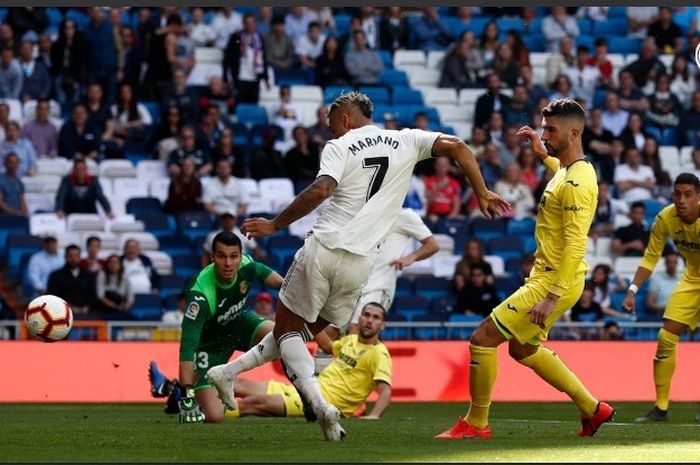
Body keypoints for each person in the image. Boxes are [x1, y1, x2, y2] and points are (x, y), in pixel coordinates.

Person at [205, 91, 508, 441]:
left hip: (324, 248)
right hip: (361, 265)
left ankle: (318, 403)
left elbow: (320, 190)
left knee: (288, 330)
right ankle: (227, 373)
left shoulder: (341, 146)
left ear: (345, 118)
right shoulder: (406, 139)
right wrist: (482, 192)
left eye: (331, 123)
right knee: (303, 331)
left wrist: (275, 225)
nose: (329, 130)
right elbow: (457, 146)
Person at [436, 99, 613, 440]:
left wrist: (551, 296)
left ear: (574, 132)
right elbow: (561, 179)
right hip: (551, 276)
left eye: (551, 130)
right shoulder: (570, 170)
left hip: (553, 280)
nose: (544, 134)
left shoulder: (578, 182)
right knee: (522, 349)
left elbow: (577, 244)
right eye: (544, 127)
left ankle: (475, 424)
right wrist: (543, 153)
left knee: (482, 339)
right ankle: (593, 409)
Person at [153, 231, 283, 424]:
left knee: (282, 336)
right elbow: (188, 346)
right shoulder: (200, 294)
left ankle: (307, 395)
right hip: (209, 348)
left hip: (239, 325)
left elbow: (279, 282)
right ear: (212, 258)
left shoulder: (247, 265)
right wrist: (188, 395)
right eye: (222, 256)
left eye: (233, 256)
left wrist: (298, 293)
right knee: (214, 416)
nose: (229, 263)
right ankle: (177, 391)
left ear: (241, 256)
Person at [219, 302, 391, 419]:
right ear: (359, 319)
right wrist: (308, 318)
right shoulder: (350, 341)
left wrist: (373, 416)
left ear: (383, 325)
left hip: (323, 403)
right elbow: (327, 345)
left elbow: (385, 391)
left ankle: (207, 414)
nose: (369, 320)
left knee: (253, 403)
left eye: (376, 318)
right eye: (366, 315)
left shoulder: (379, 353)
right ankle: (198, 399)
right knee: (238, 383)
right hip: (308, 388)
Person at [621, 173, 700, 423]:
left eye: (688, 194)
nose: (681, 200)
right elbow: (651, 257)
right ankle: (661, 408)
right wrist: (632, 290)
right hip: (693, 279)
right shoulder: (665, 217)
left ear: (699, 197)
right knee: (666, 338)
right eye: (677, 193)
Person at [47, 244, 96, 319]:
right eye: (70, 256)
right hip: (62, 315)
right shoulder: (56, 275)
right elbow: (52, 297)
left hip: (86, 315)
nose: (73, 259)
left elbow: (92, 295)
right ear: (65, 257)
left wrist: (86, 308)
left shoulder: (88, 275)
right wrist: (70, 308)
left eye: (76, 256)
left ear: (80, 257)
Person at [201, 212, 266, 267]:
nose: (227, 221)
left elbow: (257, 251)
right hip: (219, 267)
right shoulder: (212, 236)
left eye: (230, 219)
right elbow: (206, 255)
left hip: (241, 267)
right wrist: (204, 270)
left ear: (235, 220)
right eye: (225, 219)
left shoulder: (244, 233)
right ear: (221, 220)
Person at [96, 254, 134, 320]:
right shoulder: (102, 275)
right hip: (105, 308)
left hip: (120, 306)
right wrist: (115, 306)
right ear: (107, 264)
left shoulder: (125, 277)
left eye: (116, 263)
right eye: (111, 263)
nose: (113, 265)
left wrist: (126, 306)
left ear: (120, 265)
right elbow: (100, 296)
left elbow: (130, 298)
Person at [645, 252, 681, 319]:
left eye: (674, 262)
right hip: (662, 314)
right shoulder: (657, 279)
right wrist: (662, 308)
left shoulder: (682, 279)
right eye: (669, 262)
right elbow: (649, 303)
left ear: (677, 263)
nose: (672, 265)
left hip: (680, 313)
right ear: (665, 264)